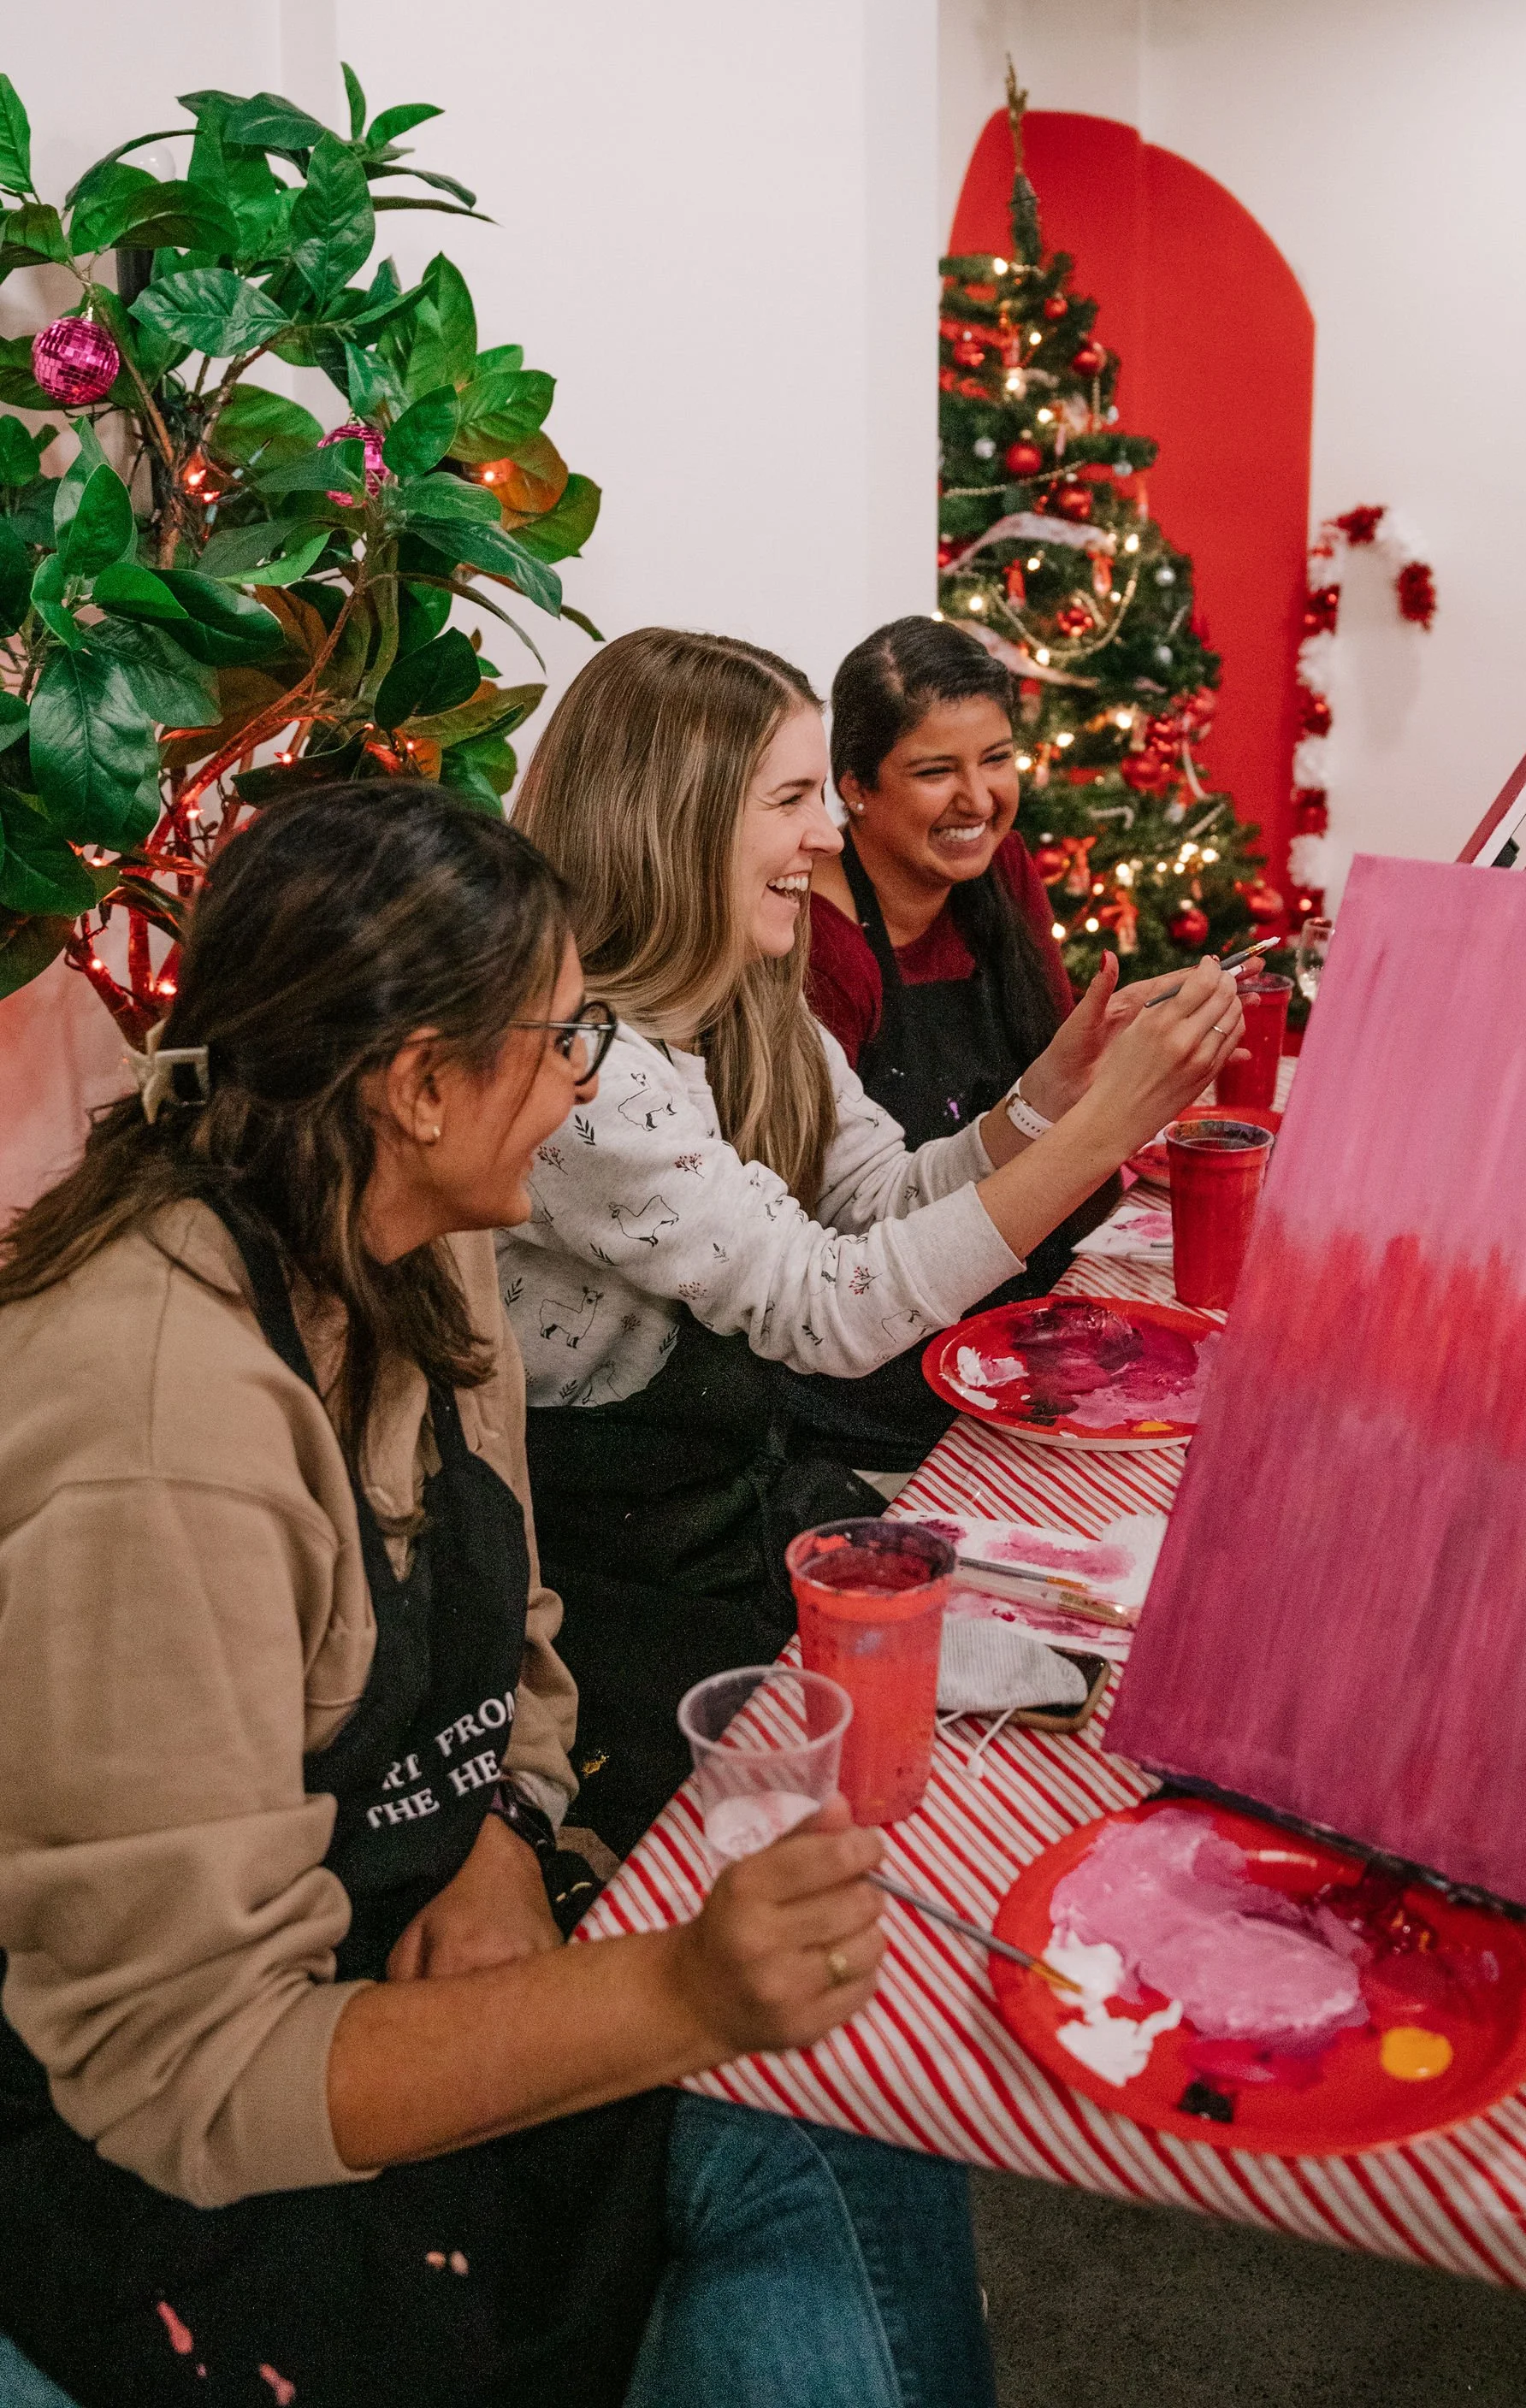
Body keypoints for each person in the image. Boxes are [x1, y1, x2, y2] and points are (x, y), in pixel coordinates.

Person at [0, 784, 994, 2408]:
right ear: (413, 1084)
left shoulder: (409, 1229)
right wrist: (672, 1990)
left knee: (865, 2105)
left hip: (402, 1923)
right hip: (178, 2137)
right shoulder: (164, 1426)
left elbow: (506, 1619)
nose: (577, 1087)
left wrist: (505, 1829)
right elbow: (178, 2072)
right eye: (555, 1040)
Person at [504, 626, 1245, 1851]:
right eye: (793, 799)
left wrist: (1050, 1101)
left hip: (739, 1497)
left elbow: (881, 1195)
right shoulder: (585, 1074)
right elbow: (828, 1309)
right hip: (626, 1570)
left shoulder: (747, 997)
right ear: (674, 819)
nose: (827, 837)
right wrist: (1100, 1134)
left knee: (1081, 1679)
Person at [795, 614, 1101, 1468]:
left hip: (1011, 1308)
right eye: (935, 772)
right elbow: (840, 1220)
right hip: (882, 1363)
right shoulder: (819, 942)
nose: (978, 800)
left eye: (995, 760)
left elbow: (1059, 1073)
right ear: (854, 786)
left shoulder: (998, 869)